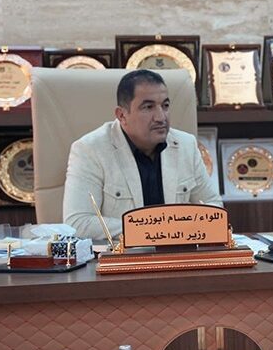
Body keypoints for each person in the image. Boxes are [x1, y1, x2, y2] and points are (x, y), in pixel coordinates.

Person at [63, 69, 222, 240]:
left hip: (177, 252)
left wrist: (171, 231)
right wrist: (155, 230)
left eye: (165, 106)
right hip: (123, 255)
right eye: (148, 107)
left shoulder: (186, 145)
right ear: (122, 115)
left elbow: (214, 208)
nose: (161, 117)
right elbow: (78, 223)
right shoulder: (90, 150)